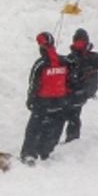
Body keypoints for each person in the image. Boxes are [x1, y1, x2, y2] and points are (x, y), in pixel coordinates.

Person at [19, 32, 72, 164]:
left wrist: (30, 99)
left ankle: (29, 153)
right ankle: (45, 151)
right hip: (60, 101)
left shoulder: (41, 63)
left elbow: (33, 83)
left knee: (34, 128)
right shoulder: (64, 61)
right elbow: (70, 80)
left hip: (42, 102)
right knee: (54, 127)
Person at [65, 29, 98, 142]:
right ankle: (70, 137)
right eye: (77, 42)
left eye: (82, 42)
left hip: (86, 88)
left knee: (74, 111)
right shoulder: (71, 57)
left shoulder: (92, 56)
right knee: (69, 112)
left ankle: (73, 137)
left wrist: (90, 69)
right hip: (73, 87)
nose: (79, 45)